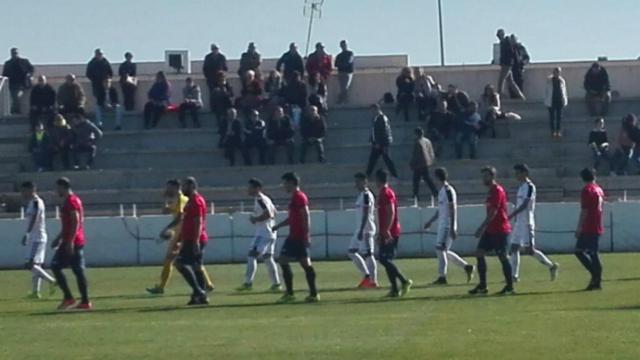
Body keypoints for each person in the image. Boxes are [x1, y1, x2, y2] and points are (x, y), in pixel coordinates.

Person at [147, 180, 215, 295]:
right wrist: (165, 199)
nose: (167, 190)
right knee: (193, 263)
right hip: (181, 234)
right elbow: (165, 211)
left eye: (169, 188)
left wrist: (167, 229)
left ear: (176, 187)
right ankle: (206, 286)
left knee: (176, 261)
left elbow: (181, 218)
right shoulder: (176, 199)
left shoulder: (183, 199)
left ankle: (163, 287)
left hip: (182, 234)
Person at [272, 172, 319, 303]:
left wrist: (306, 235)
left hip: (298, 237)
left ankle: (306, 293)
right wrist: (278, 226)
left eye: (285, 183)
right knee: (287, 261)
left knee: (297, 263)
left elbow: (306, 215)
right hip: (293, 236)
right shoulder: (294, 198)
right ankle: (300, 293)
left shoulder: (299, 197)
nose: (284, 186)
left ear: (292, 183)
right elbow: (293, 218)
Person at [507, 164, 559, 282]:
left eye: (518, 173)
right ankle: (514, 276)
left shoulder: (530, 187)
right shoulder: (520, 187)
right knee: (514, 248)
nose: (516, 175)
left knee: (530, 250)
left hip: (527, 223)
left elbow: (525, 205)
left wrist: (512, 215)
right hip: (519, 223)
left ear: (525, 173)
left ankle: (551, 266)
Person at [423, 168, 474, 285]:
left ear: (437, 177)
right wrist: (430, 221)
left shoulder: (448, 190)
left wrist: (452, 226)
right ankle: (467, 267)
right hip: (442, 224)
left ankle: (442, 277)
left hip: (447, 225)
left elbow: (452, 209)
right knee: (443, 250)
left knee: (440, 250)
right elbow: (440, 210)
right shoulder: (442, 191)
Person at [469, 166, 514, 295]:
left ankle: (510, 286)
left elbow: (493, 212)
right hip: (491, 230)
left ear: (492, 177)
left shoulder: (497, 190)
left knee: (503, 257)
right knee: (479, 253)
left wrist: (481, 227)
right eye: (483, 176)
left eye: (486, 176)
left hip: (500, 229)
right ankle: (483, 285)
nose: (483, 179)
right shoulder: (490, 192)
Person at [50, 177, 92, 310]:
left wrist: (70, 241)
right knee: (76, 270)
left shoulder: (71, 201)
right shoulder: (71, 201)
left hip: (72, 241)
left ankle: (71, 298)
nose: (56, 191)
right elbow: (68, 224)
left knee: (56, 266)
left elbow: (76, 221)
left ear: (63, 187)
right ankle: (82, 301)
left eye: (57, 188)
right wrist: (58, 238)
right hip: (70, 240)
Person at [237, 178, 282, 292]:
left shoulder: (260, 199)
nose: (248, 189)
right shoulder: (266, 198)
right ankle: (276, 284)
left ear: (257, 188)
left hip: (263, 233)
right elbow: (275, 212)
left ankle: (248, 283)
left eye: (250, 187)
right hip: (271, 232)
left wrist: (255, 219)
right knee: (268, 257)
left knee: (252, 255)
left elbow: (268, 213)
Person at [375, 169, 413, 298]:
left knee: (384, 258)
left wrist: (386, 230)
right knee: (384, 259)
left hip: (391, 232)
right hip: (386, 231)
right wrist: (381, 232)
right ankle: (395, 289)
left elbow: (391, 212)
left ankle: (404, 281)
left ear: (378, 180)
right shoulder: (382, 193)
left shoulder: (386, 193)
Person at [175, 177, 210, 305]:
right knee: (196, 267)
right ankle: (200, 296)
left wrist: (195, 240)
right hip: (191, 238)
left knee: (179, 263)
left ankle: (198, 291)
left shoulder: (196, 201)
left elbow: (198, 221)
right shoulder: (191, 201)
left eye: (184, 186)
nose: (182, 189)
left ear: (191, 186)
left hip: (194, 239)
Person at [20, 181, 57, 299]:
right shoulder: (34, 202)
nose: (22, 193)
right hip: (38, 236)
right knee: (37, 265)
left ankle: (52, 281)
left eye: (24, 191)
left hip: (36, 237)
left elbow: (35, 218)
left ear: (32, 189)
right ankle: (36, 292)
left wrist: (27, 233)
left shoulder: (36, 202)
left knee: (29, 264)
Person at [574, 168, 605, 291]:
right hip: (595, 224)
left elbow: (585, 210)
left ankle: (596, 279)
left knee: (592, 253)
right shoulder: (599, 189)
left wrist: (579, 227)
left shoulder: (587, 190)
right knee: (579, 251)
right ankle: (595, 277)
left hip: (589, 226)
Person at [348, 173, 379, 288]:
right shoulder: (361, 195)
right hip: (360, 228)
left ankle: (373, 280)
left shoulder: (366, 195)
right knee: (351, 251)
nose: (356, 184)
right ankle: (367, 276)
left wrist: (361, 229)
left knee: (369, 254)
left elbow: (366, 213)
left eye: (358, 181)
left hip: (366, 229)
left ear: (364, 182)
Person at [365, 104, 398, 178]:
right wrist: (372, 139)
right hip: (377, 143)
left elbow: (384, 131)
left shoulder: (382, 118)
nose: (371, 112)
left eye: (372, 110)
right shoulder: (376, 118)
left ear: (376, 109)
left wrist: (379, 143)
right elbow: (374, 130)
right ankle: (367, 175)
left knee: (387, 159)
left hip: (382, 144)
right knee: (372, 159)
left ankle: (395, 174)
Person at [2, 47, 34, 114]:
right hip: (13, 85)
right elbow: (4, 74)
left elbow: (31, 69)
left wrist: (29, 75)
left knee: (20, 99)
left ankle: (17, 111)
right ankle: (16, 111)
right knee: (16, 98)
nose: (15, 54)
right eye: (13, 53)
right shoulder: (8, 64)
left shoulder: (24, 61)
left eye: (16, 53)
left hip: (24, 84)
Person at [410, 127, 438, 203]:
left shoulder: (417, 142)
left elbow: (416, 155)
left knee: (416, 180)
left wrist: (412, 164)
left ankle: (415, 194)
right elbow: (431, 152)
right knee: (426, 178)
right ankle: (435, 192)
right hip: (427, 163)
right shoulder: (427, 141)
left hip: (419, 164)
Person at [496, 29, 525, 100]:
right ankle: (521, 97)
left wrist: (508, 62)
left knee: (501, 81)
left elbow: (511, 53)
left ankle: (499, 96)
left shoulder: (506, 41)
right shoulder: (503, 42)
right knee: (511, 82)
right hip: (506, 64)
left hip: (506, 64)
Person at [209, 72, 234, 146]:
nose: (222, 79)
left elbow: (231, 95)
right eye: (220, 78)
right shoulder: (215, 88)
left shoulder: (228, 86)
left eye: (223, 77)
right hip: (219, 107)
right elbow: (213, 99)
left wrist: (225, 91)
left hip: (227, 105)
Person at [545, 67, 568, 138]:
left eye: (558, 72)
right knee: (552, 117)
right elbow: (546, 91)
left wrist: (565, 100)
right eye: (555, 72)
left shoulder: (562, 80)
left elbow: (564, 91)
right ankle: (552, 131)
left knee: (559, 117)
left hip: (559, 100)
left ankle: (558, 131)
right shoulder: (549, 80)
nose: (556, 73)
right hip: (551, 100)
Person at [203, 44, 228, 109]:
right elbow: (205, 69)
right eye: (214, 49)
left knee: (222, 93)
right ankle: (213, 107)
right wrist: (209, 76)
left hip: (220, 79)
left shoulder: (222, 57)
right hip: (211, 79)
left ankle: (223, 106)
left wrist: (221, 72)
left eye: (216, 49)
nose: (215, 50)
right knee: (212, 94)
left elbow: (225, 68)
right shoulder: (208, 57)